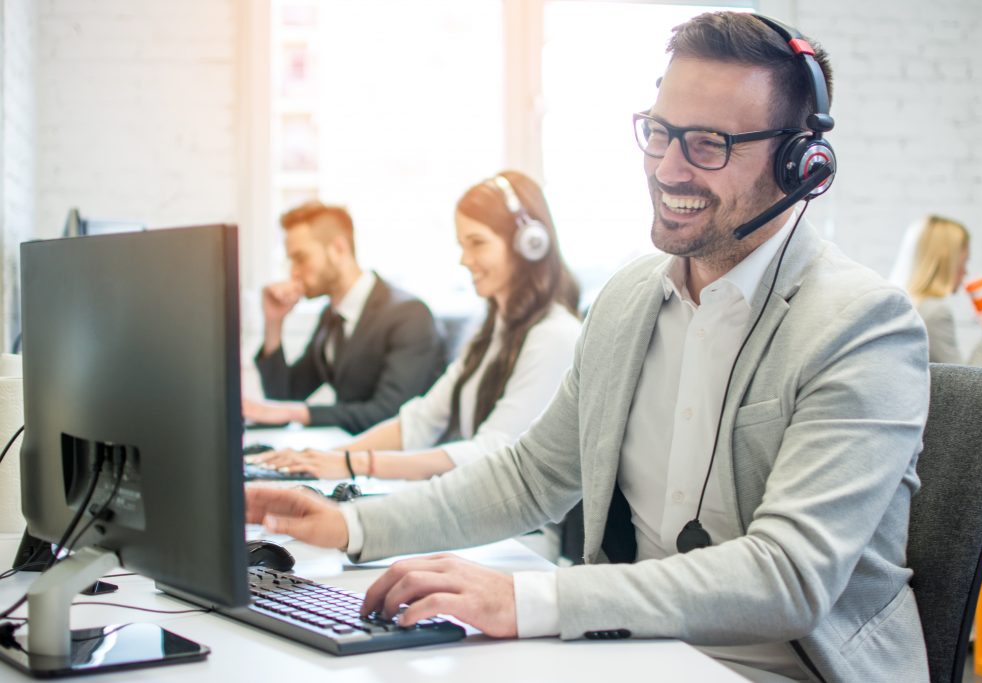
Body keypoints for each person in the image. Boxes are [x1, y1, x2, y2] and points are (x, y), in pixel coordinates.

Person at [245, 13, 930, 682]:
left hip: (785, 666)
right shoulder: (631, 298)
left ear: (799, 163)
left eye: (709, 144)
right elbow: (529, 477)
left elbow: (787, 575)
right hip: (640, 650)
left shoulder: (861, 324)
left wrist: (527, 599)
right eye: (659, 132)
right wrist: (351, 524)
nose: (667, 168)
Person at [249, 172, 582, 480]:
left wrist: (353, 463)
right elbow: (421, 419)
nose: (464, 260)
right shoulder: (492, 334)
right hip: (483, 510)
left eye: (477, 243)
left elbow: (492, 453)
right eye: (462, 246)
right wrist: (319, 459)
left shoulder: (553, 337)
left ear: (531, 243)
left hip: (529, 537)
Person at [244, 201, 446, 433]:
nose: (294, 272)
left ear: (338, 249)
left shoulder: (408, 315)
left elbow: (390, 413)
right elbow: (284, 397)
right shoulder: (331, 317)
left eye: (300, 258)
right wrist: (273, 323)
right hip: (347, 450)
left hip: (390, 461)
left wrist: (298, 413)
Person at [901, 214, 982, 366]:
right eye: (964, 262)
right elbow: (965, 386)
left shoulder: (909, 303)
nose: (966, 272)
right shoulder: (936, 313)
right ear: (948, 261)